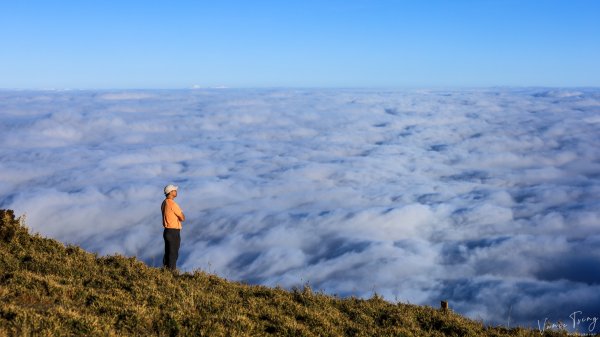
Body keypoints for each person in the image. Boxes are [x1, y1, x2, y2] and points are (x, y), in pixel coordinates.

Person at [161, 184, 185, 270]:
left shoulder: (164, 202)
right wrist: (181, 213)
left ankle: (166, 271)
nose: (176, 191)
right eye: (174, 190)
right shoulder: (172, 204)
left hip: (167, 231)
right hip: (173, 231)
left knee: (168, 253)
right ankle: (171, 274)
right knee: (173, 254)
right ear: (170, 192)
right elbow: (182, 217)